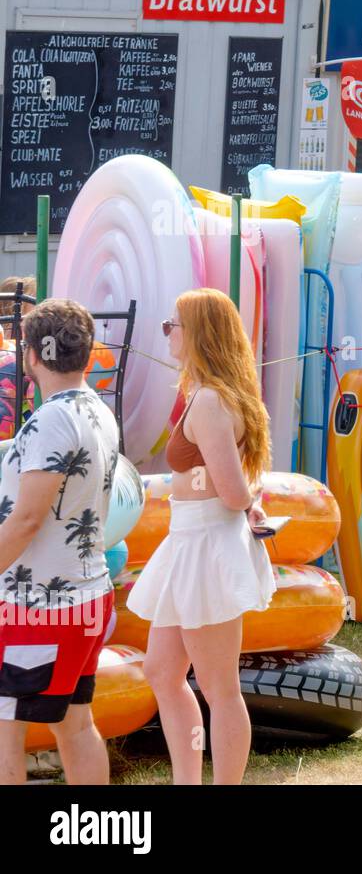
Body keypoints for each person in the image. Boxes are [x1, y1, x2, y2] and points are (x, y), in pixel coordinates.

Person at [122, 289, 274, 785]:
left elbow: (229, 491)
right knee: (163, 673)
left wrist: (244, 499)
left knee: (219, 687)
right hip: (192, 541)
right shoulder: (206, 395)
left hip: (206, 545)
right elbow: (234, 487)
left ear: (199, 334)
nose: (167, 332)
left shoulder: (210, 401)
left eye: (173, 324)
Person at [0, 300, 118, 785]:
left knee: (6, 731)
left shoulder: (52, 420)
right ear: (88, 357)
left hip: (39, 604)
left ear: (30, 356)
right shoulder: (95, 410)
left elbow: (28, 519)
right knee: (75, 723)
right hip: (82, 595)